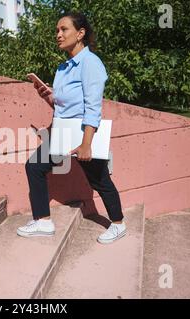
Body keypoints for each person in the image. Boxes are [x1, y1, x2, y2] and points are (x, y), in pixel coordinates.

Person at [17, 12, 126, 244]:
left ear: (80, 33)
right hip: (62, 132)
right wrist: (47, 96)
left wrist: (86, 144)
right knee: (34, 167)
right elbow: (63, 106)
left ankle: (118, 224)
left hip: (83, 132)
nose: (58, 35)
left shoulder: (91, 63)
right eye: (57, 30)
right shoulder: (63, 68)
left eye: (64, 29)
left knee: (99, 180)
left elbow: (93, 106)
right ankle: (44, 222)